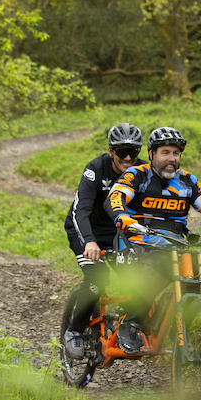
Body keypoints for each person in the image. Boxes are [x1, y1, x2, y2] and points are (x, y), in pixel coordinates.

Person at [104, 126, 201, 353]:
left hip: (172, 244)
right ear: (152, 154)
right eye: (165, 152)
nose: (171, 159)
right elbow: (115, 198)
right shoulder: (137, 175)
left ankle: (168, 320)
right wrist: (125, 218)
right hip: (135, 241)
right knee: (155, 268)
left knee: (198, 271)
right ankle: (131, 322)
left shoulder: (187, 181)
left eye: (176, 153)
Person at [62, 123, 146, 360]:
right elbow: (81, 211)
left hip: (118, 233)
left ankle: (127, 324)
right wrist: (89, 242)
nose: (128, 157)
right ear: (111, 151)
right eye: (122, 152)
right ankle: (74, 330)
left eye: (133, 152)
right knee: (98, 278)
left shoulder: (143, 171)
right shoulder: (95, 170)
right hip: (85, 230)